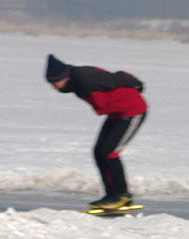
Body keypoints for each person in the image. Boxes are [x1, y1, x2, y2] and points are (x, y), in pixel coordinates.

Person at [44, 54, 147, 210]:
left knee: (110, 153)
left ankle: (122, 195)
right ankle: (111, 195)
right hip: (117, 114)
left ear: (64, 76)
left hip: (133, 111)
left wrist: (137, 85)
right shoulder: (76, 81)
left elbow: (116, 78)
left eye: (55, 82)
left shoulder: (86, 77)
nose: (54, 87)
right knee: (99, 151)